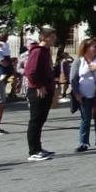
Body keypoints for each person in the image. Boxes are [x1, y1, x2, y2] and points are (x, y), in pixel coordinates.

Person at [23, 27, 57, 162]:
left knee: (40, 120)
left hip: (46, 89)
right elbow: (30, 71)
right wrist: (39, 85)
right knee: (35, 121)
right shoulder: (37, 51)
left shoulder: (45, 52)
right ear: (44, 37)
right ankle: (33, 151)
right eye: (52, 36)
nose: (54, 39)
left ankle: (38, 147)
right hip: (37, 90)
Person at [70, 37, 96, 152]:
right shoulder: (79, 61)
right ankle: (83, 142)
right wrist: (76, 93)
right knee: (85, 119)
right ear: (86, 48)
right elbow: (73, 78)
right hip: (84, 95)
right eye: (95, 46)